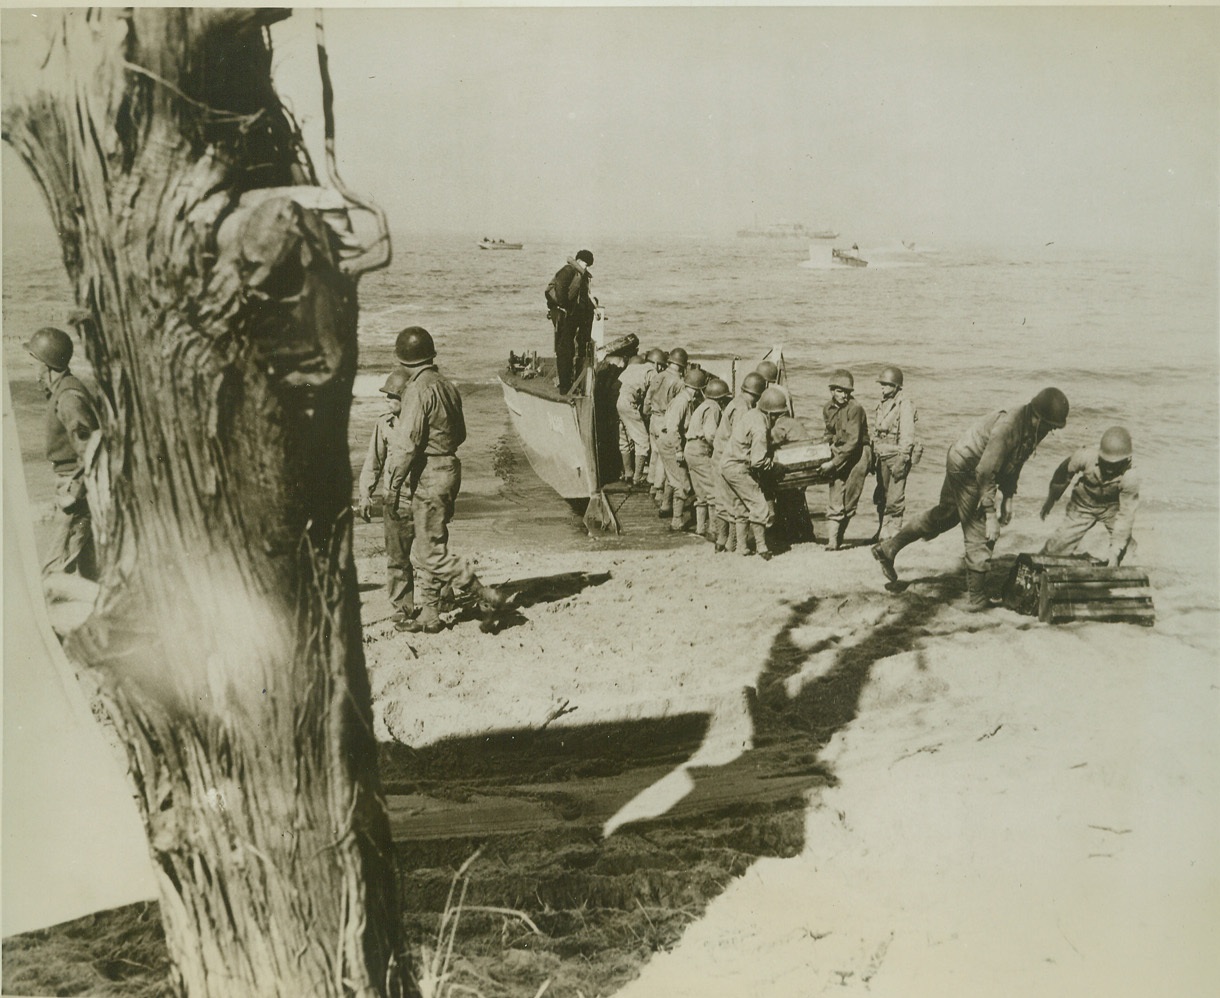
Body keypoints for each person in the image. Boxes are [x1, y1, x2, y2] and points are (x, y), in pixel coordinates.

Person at [872, 387, 1070, 611]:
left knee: (945, 516)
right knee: (981, 529)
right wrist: (990, 513)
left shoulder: (1035, 427)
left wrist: (1008, 497)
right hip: (968, 466)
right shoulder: (1009, 427)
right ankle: (976, 599)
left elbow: (1015, 460)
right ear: (1037, 417)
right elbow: (985, 472)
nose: (1051, 431)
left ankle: (888, 548)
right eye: (1050, 426)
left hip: (964, 458)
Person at [385, 326, 503, 633]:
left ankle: (483, 593)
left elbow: (408, 443)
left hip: (430, 474)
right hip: (450, 467)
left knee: (429, 551)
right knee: (431, 541)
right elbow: (460, 433)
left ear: (405, 361)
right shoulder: (447, 385)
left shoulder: (417, 389)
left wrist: (393, 488)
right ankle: (430, 613)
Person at [25, 326, 99, 580]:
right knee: (85, 563)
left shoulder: (68, 397)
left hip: (76, 491)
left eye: (36, 363)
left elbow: (90, 447)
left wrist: (77, 488)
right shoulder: (61, 391)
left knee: (56, 565)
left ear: (48, 366)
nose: (34, 371)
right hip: (74, 488)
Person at [357, 368, 416, 623]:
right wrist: (365, 494)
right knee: (397, 558)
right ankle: (403, 607)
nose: (387, 399)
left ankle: (442, 600)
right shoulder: (384, 423)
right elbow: (374, 461)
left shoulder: (419, 424)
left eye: (392, 395)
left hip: (421, 497)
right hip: (395, 499)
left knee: (430, 554)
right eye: (386, 395)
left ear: (406, 398)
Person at [1039, 426, 1139, 566]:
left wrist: (1116, 552)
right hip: (1083, 504)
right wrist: (1051, 500)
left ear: (1126, 460)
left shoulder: (1130, 476)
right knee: (1055, 550)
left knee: (1128, 554)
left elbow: (1126, 516)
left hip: (1111, 508)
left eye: (1114, 464)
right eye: (1106, 462)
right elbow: (1063, 475)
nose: (1109, 468)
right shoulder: (1086, 456)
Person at [721, 386, 788, 560]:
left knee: (741, 506)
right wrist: (774, 466)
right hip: (738, 467)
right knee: (759, 505)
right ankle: (762, 547)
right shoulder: (760, 427)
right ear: (771, 414)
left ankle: (740, 547)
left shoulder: (751, 414)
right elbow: (758, 461)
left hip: (728, 464)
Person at [711, 371, 766, 552]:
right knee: (737, 504)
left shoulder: (736, 402)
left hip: (720, 457)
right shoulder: (743, 409)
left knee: (724, 503)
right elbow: (740, 439)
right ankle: (735, 545)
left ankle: (723, 542)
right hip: (729, 460)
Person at [819, 370, 871, 551]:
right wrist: (823, 449)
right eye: (840, 391)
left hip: (858, 455)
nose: (844, 395)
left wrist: (833, 463)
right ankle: (832, 541)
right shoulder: (827, 408)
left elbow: (853, 441)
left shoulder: (855, 408)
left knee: (850, 499)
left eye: (847, 391)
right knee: (835, 493)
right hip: (839, 452)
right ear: (832, 390)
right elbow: (829, 433)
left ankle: (839, 537)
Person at [871, 365, 918, 541]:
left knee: (895, 498)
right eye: (881, 384)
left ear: (896, 386)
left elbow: (907, 436)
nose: (882, 387)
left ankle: (894, 534)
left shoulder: (904, 405)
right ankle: (882, 532)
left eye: (886, 384)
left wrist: (903, 459)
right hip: (883, 455)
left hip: (897, 456)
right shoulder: (883, 403)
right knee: (882, 495)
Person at [659, 366, 708, 531]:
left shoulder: (685, 399)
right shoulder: (682, 402)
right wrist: (678, 449)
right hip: (671, 442)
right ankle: (677, 521)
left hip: (670, 441)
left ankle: (665, 506)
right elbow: (672, 428)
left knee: (672, 476)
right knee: (682, 484)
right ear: (696, 390)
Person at [685, 377, 731, 542]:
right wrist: (720, 449)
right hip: (701, 449)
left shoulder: (703, 405)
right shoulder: (713, 408)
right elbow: (710, 433)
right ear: (721, 398)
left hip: (690, 449)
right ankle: (714, 530)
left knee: (700, 493)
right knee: (713, 491)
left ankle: (700, 528)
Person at [545, 249, 595, 393]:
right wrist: (564, 306)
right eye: (585, 263)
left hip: (572, 315)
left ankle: (570, 381)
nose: (586, 267)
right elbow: (560, 289)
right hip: (564, 314)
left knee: (571, 348)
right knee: (565, 348)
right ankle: (565, 385)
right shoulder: (568, 270)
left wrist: (593, 309)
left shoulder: (581, 274)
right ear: (579, 260)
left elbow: (583, 296)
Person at [645, 347, 688, 514]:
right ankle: (658, 491)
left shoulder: (658, 376)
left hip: (653, 418)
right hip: (665, 420)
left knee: (655, 452)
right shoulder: (679, 382)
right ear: (682, 365)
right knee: (664, 458)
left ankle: (652, 486)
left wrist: (647, 413)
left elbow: (648, 398)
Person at [615, 354, 652, 485]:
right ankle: (638, 477)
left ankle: (628, 472)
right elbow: (649, 398)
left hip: (620, 402)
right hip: (630, 404)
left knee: (624, 439)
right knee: (642, 441)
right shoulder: (651, 371)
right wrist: (646, 415)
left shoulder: (632, 368)